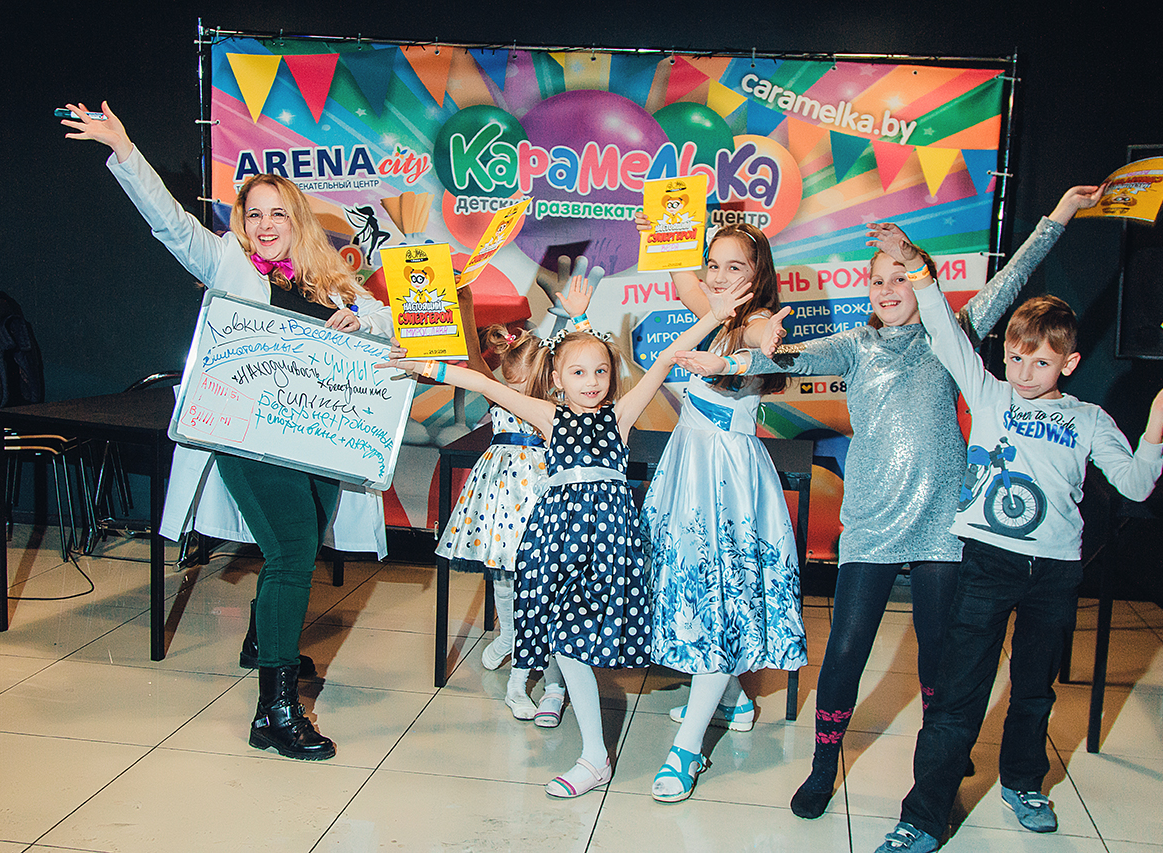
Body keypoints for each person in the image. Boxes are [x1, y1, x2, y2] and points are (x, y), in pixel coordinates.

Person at [674, 187, 1104, 817]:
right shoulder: (857, 344)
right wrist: (731, 361)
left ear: (921, 279)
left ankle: (940, 755)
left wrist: (1059, 213)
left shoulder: (952, 334)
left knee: (938, 659)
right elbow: (791, 357)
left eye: (900, 276)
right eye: (877, 279)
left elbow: (1013, 278)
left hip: (941, 527)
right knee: (845, 652)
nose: (886, 288)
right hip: (871, 524)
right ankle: (823, 765)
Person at [63, 101, 394, 761]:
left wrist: (363, 322)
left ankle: (263, 639)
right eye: (254, 214)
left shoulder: (330, 280)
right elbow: (168, 221)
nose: (265, 225)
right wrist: (124, 147)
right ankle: (275, 712)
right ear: (242, 223)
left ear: (297, 221)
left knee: (301, 543)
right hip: (250, 439)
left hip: (319, 442)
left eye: (277, 213)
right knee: (293, 551)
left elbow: (387, 321)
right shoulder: (225, 262)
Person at [867, 222, 1163, 852]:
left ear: (1068, 364)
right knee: (958, 694)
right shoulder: (989, 393)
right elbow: (943, 329)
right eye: (1016, 357)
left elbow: (1134, 486)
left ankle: (1022, 782)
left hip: (1054, 571)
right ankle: (922, 817)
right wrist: (914, 264)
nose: (1023, 371)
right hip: (987, 562)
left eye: (1040, 361)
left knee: (1035, 689)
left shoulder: (1089, 419)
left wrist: (1157, 419)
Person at [390, 278, 752, 799]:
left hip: (610, 545)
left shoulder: (620, 415)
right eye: (578, 373)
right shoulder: (547, 415)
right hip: (557, 539)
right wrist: (424, 367)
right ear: (555, 380)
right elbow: (485, 383)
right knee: (565, 641)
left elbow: (667, 358)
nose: (592, 381)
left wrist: (714, 316)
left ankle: (702, 703)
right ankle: (593, 756)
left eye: (601, 371)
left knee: (602, 638)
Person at [638, 223, 807, 804]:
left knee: (716, 596)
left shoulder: (757, 320)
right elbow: (684, 279)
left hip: (727, 477)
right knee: (699, 592)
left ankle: (687, 749)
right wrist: (663, 235)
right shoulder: (715, 309)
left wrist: (748, 351)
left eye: (735, 267)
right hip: (688, 465)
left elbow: (760, 348)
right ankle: (733, 698)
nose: (718, 276)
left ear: (758, 274)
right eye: (714, 264)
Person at [433, 277, 595, 722]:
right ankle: (508, 634)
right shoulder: (497, 389)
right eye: (510, 384)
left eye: (524, 386)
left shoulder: (557, 402)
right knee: (503, 573)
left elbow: (585, 362)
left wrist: (578, 317)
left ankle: (525, 664)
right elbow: (472, 361)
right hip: (501, 494)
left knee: (539, 580)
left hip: (543, 495)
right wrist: (465, 307)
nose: (515, 394)